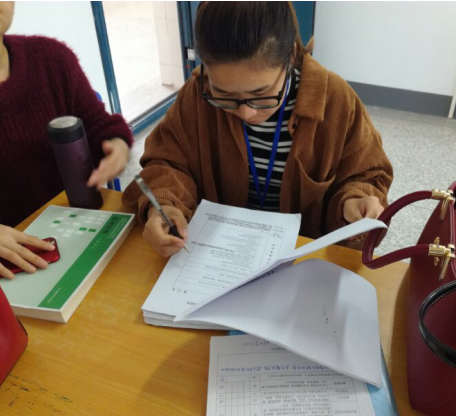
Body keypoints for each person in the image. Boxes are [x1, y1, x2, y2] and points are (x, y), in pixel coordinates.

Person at [123, 1, 393, 258]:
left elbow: (367, 174)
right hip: (217, 254)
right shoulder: (197, 95)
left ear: (290, 58)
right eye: (224, 94)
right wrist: (165, 205)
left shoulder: (335, 101)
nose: (246, 113)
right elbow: (167, 162)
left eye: (261, 94)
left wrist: (355, 199)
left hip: (302, 259)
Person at [0, 1, 133, 278]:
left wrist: (117, 146)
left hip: (74, 231)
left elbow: (99, 126)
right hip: (12, 265)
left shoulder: (52, 59)